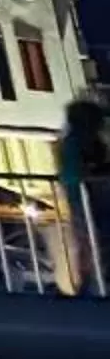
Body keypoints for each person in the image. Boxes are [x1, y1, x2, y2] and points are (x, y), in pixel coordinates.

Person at [60, 96, 109, 297]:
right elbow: (84, 170)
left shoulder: (72, 141)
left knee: (88, 240)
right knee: (94, 239)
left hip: (83, 195)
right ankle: (93, 285)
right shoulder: (80, 142)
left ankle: (91, 285)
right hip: (88, 196)